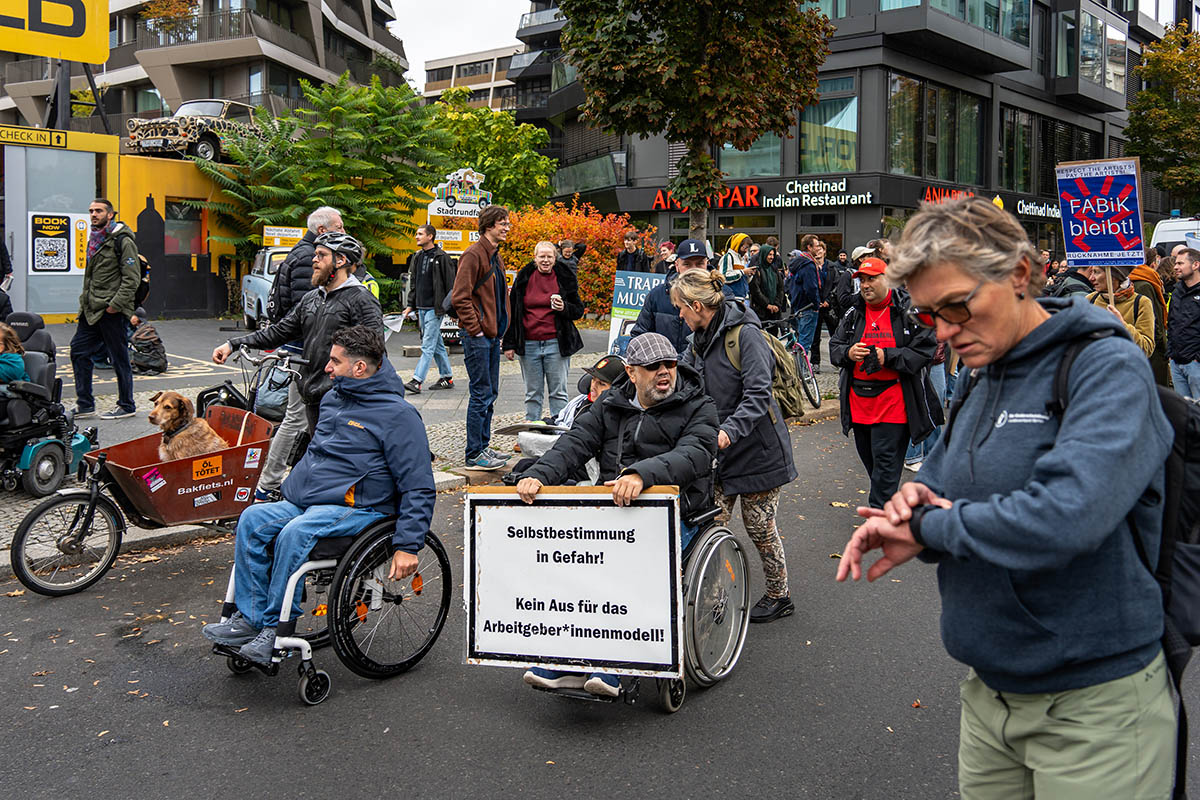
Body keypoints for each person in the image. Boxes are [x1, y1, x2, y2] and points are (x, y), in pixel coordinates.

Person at [836, 196, 1176, 799]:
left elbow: (1069, 514)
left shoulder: (1106, 367)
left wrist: (930, 530)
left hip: (1096, 706)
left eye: (958, 306)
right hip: (988, 695)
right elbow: (935, 482)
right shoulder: (981, 375)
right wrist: (906, 510)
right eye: (929, 313)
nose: (943, 331)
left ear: (1020, 274)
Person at [202, 325, 436, 664]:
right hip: (312, 499)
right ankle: (250, 621)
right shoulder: (334, 398)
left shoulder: (398, 416)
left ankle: (275, 628)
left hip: (362, 508)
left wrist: (407, 545)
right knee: (252, 518)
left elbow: (418, 484)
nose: (327, 367)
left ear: (359, 368)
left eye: (335, 362)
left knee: (297, 532)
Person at [514, 332, 720, 696]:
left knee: (629, 567)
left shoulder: (698, 406)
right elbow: (575, 444)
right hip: (613, 510)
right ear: (631, 372)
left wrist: (643, 474)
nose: (664, 372)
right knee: (569, 560)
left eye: (669, 364)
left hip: (676, 510)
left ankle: (616, 661)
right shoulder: (610, 403)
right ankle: (565, 659)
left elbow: (695, 453)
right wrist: (537, 474)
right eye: (653, 366)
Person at [675, 270, 796, 622]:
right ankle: (714, 600)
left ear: (697, 305)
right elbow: (685, 378)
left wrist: (728, 431)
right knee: (710, 527)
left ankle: (779, 595)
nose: (679, 315)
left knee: (760, 528)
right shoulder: (697, 337)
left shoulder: (746, 335)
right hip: (719, 453)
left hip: (758, 448)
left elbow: (758, 395)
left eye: (681, 308)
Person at [212, 232, 383, 434]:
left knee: (336, 459)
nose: (314, 260)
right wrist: (233, 344)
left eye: (321, 255)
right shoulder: (312, 298)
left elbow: (374, 351)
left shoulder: (361, 299)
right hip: (311, 395)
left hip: (342, 399)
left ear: (341, 260)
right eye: (315, 254)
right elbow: (280, 332)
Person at [828, 257, 941, 509]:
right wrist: (848, 353)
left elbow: (925, 351)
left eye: (872, 279)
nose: (866, 285)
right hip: (859, 404)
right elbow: (834, 346)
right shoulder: (853, 312)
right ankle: (889, 504)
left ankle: (880, 516)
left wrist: (886, 356)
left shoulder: (909, 309)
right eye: (863, 280)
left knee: (886, 464)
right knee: (873, 465)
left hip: (894, 403)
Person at [253, 207, 344, 500]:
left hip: (301, 351)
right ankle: (269, 483)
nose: (343, 231)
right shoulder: (310, 257)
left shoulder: (299, 251)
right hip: (303, 353)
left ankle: (296, 476)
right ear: (322, 231)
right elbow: (306, 311)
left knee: (302, 418)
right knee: (296, 418)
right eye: (339, 227)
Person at [453, 204, 511, 470]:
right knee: (480, 393)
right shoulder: (474, 254)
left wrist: (497, 329)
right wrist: (476, 328)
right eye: (503, 223)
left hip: (490, 335)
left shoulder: (495, 256)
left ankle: (484, 447)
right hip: (478, 336)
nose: (507, 227)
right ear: (489, 225)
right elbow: (460, 296)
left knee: (491, 392)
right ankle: (474, 453)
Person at [71, 198, 140, 420]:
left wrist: (114, 306)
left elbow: (132, 279)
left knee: (118, 358)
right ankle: (85, 404)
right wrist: (85, 302)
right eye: (91, 210)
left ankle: (127, 405)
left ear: (110, 214)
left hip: (111, 310)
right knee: (78, 351)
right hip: (91, 309)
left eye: (99, 211)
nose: (93, 214)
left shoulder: (122, 240)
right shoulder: (95, 239)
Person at [502, 241, 584, 421]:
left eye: (549, 257)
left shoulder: (564, 276)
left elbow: (578, 310)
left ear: (555, 258)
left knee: (558, 392)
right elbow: (513, 311)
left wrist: (564, 307)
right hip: (529, 343)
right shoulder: (524, 277)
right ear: (535, 258)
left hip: (556, 342)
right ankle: (532, 428)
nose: (545, 260)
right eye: (542, 256)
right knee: (532, 393)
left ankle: (559, 429)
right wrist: (509, 343)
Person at [401, 223, 456, 394]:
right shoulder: (417, 257)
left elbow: (451, 285)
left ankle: (417, 381)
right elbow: (414, 283)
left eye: (420, 234)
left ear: (430, 236)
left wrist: (453, 310)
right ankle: (447, 376)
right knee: (436, 343)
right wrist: (410, 305)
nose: (416, 237)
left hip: (434, 308)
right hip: (421, 307)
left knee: (427, 345)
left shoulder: (442, 258)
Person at [631, 238, 710, 355]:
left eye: (699, 264)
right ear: (677, 265)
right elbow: (639, 336)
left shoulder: (721, 296)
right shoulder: (657, 295)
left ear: (707, 264)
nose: (693, 270)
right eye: (687, 264)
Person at [1084, 266, 1155, 358]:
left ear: (1114, 276)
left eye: (1096, 272)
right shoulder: (1089, 300)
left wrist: (1122, 325)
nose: (1091, 278)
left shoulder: (1141, 302)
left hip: (1125, 369)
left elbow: (1146, 349)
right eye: (1091, 272)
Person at [1130, 250, 1170, 385]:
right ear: (1153, 264)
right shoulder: (1144, 284)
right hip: (1153, 350)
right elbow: (1154, 320)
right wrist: (1164, 347)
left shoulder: (1143, 280)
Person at [1168, 247, 1200, 399]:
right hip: (1176, 362)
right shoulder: (1177, 291)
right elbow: (1172, 322)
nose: (1175, 267)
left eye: (1180, 263)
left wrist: (1197, 358)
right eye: (1175, 263)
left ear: (1195, 265)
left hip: (1195, 364)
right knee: (1185, 415)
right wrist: (1171, 354)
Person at [786, 234, 824, 361]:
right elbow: (811, 287)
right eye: (817, 245)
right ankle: (800, 373)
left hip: (799, 305)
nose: (819, 248)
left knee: (800, 341)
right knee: (804, 344)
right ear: (809, 247)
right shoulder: (808, 264)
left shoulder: (799, 262)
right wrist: (816, 304)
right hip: (808, 307)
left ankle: (798, 370)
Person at [809, 240, 836, 374]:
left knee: (835, 335)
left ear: (824, 251)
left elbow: (836, 286)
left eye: (821, 249)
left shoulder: (831, 267)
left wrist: (828, 300)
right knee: (815, 337)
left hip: (828, 307)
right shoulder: (810, 266)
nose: (818, 252)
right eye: (816, 249)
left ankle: (837, 361)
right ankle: (815, 363)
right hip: (816, 306)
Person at [747, 244, 787, 322]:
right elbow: (755, 291)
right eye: (769, 254)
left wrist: (776, 304)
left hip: (775, 312)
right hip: (761, 312)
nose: (771, 257)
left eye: (773, 254)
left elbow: (781, 288)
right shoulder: (757, 270)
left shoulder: (774, 269)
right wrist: (767, 305)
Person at [718, 232, 751, 299]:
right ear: (737, 245)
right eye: (745, 247)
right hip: (731, 298)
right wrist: (743, 272)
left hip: (742, 297)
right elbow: (724, 277)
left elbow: (743, 280)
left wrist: (749, 274)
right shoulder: (728, 257)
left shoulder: (742, 259)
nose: (746, 250)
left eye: (748, 248)